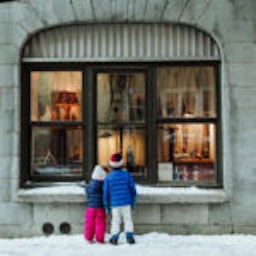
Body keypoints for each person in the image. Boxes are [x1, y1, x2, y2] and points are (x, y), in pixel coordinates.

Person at [103, 153, 137, 245]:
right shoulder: (127, 175)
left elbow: (105, 192)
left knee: (115, 220)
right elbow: (133, 189)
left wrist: (106, 205)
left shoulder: (108, 177)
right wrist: (134, 200)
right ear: (121, 163)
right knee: (128, 219)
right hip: (126, 201)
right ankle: (129, 236)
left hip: (114, 203)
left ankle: (114, 236)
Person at [84, 165, 108, 243]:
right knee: (100, 223)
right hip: (100, 207)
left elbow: (87, 194)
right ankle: (99, 239)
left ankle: (88, 238)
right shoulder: (104, 185)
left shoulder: (89, 185)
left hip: (90, 207)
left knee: (89, 223)